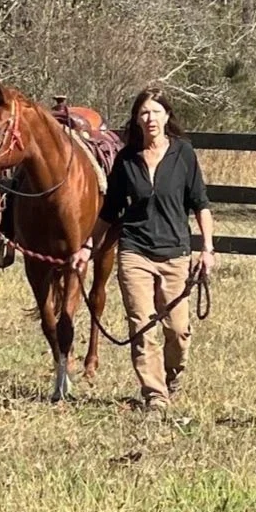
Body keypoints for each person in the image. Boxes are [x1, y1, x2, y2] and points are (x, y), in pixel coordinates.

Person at [72, 87, 215, 413]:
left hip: (175, 253)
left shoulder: (184, 155)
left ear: (167, 116)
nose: (149, 118)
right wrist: (86, 245)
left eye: (155, 112)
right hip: (135, 251)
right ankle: (154, 396)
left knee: (177, 332)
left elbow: (201, 205)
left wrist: (207, 248)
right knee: (141, 326)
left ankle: (171, 375)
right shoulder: (126, 160)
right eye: (143, 113)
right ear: (137, 119)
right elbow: (109, 211)